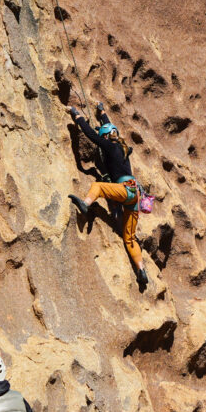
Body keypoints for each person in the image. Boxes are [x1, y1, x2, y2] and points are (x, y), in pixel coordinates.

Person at [68, 102, 148, 285]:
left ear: (106, 137)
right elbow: (110, 129)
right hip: (135, 195)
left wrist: (77, 116)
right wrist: (102, 113)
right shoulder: (123, 148)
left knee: (99, 186)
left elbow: (91, 135)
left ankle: (85, 204)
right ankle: (141, 271)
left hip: (125, 190)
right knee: (129, 238)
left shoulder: (109, 147)